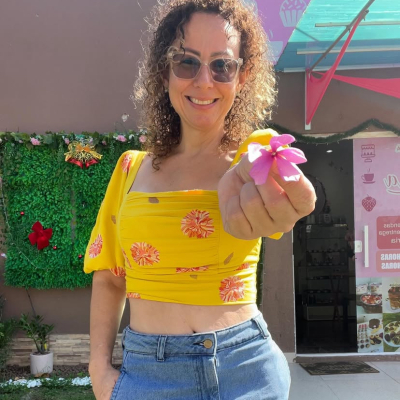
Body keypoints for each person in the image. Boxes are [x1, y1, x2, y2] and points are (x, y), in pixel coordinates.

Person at [84, 1, 316, 399]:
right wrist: (98, 370)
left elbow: (279, 205)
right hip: (148, 377)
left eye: (222, 65)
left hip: (247, 369)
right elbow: (109, 277)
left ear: (243, 76)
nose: (205, 81)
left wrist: (283, 199)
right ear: (164, 72)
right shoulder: (130, 169)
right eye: (186, 62)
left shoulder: (251, 163)